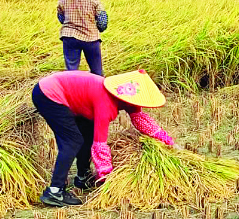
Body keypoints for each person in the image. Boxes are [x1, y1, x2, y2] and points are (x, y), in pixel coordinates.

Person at [32, 69, 174, 207]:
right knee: (72, 141)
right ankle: (55, 191)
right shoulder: (106, 104)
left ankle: (83, 177)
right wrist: (107, 179)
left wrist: (168, 141)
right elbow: (100, 144)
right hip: (49, 94)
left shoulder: (126, 96)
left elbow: (141, 120)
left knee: (88, 131)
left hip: (67, 93)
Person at [57, 0, 109, 76]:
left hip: (69, 37)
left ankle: (71, 86)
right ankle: (97, 86)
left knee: (71, 72)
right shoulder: (94, 0)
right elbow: (102, 21)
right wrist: (99, 29)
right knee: (97, 71)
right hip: (90, 38)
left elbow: (61, 17)